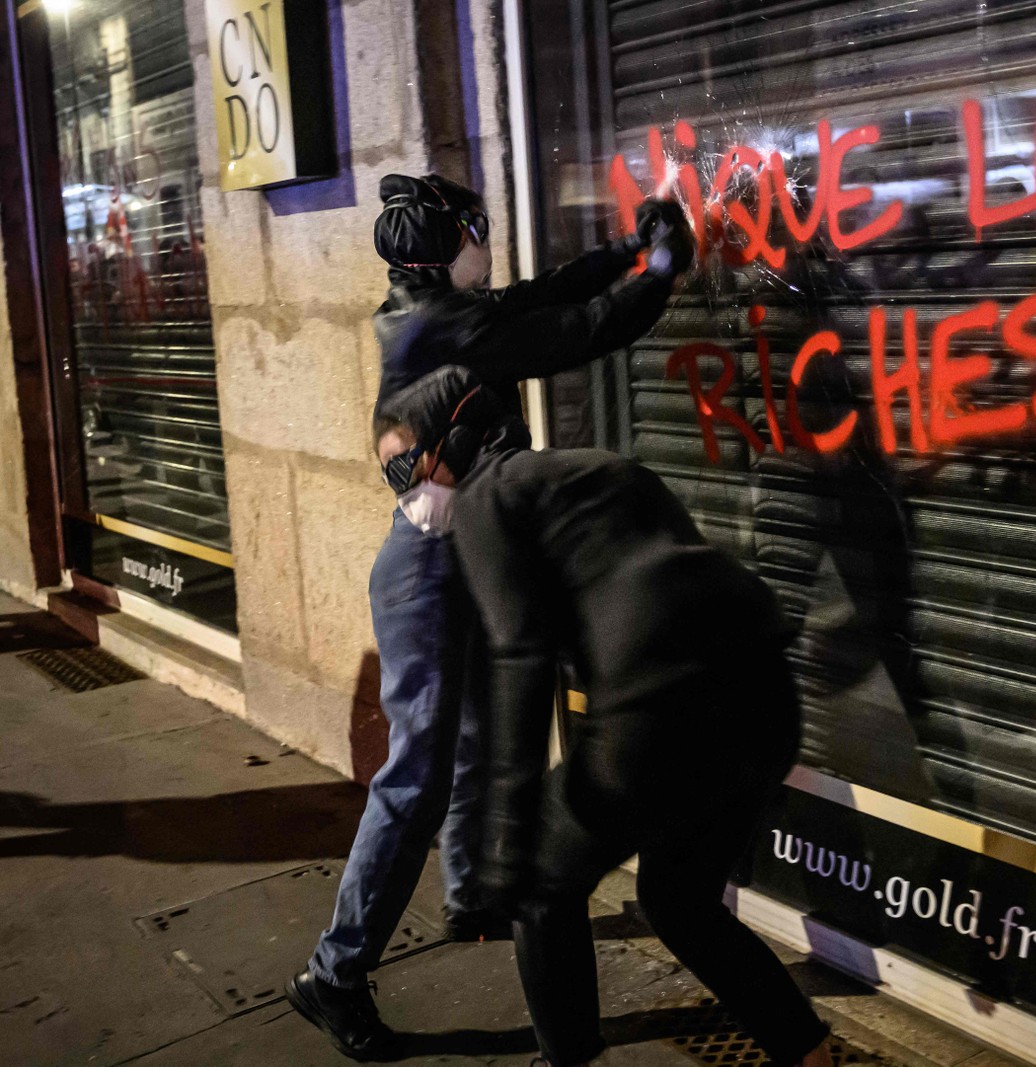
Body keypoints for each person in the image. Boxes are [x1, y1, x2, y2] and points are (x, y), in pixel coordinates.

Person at [286, 172, 696, 1060]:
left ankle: (472, 893)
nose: (489, 237)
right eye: (477, 226)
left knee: (475, 738)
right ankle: (334, 971)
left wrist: (627, 251)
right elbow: (582, 327)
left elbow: (549, 291)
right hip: (429, 568)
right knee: (417, 773)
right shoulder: (443, 321)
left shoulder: (438, 304)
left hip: (463, 551)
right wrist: (661, 270)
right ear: (445, 240)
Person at [374, 365, 834, 1067]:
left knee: (538, 884)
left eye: (408, 463)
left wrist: (503, 848)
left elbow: (520, 663)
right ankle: (805, 1048)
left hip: (661, 709)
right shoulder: (603, 466)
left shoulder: (484, 500)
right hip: (764, 700)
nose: (407, 487)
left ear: (456, 439)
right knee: (679, 899)